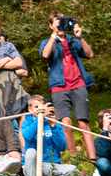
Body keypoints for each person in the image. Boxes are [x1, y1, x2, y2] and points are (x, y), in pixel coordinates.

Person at [41, 14, 96, 159]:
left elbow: (90, 54)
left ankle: (93, 158)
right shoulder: (47, 42)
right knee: (65, 123)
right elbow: (45, 55)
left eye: (62, 23)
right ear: (51, 26)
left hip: (78, 84)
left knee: (83, 122)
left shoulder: (73, 40)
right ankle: (73, 159)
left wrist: (80, 37)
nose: (60, 26)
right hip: (59, 86)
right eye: (57, 23)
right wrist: (53, 36)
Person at [20, 98, 80, 176]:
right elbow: (28, 136)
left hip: (51, 166)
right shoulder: (27, 121)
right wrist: (40, 119)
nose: (41, 110)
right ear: (30, 110)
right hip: (33, 166)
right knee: (30, 152)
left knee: (73, 170)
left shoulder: (53, 123)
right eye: (37, 107)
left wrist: (53, 126)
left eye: (43, 107)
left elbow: (62, 147)